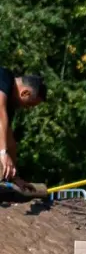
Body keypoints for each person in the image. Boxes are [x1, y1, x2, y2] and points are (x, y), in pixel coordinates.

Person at [0, 68, 47, 196]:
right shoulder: (3, 77)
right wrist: (3, 153)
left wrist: (15, 177)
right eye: (29, 105)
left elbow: (9, 140)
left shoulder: (9, 107)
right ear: (25, 93)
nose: (26, 108)